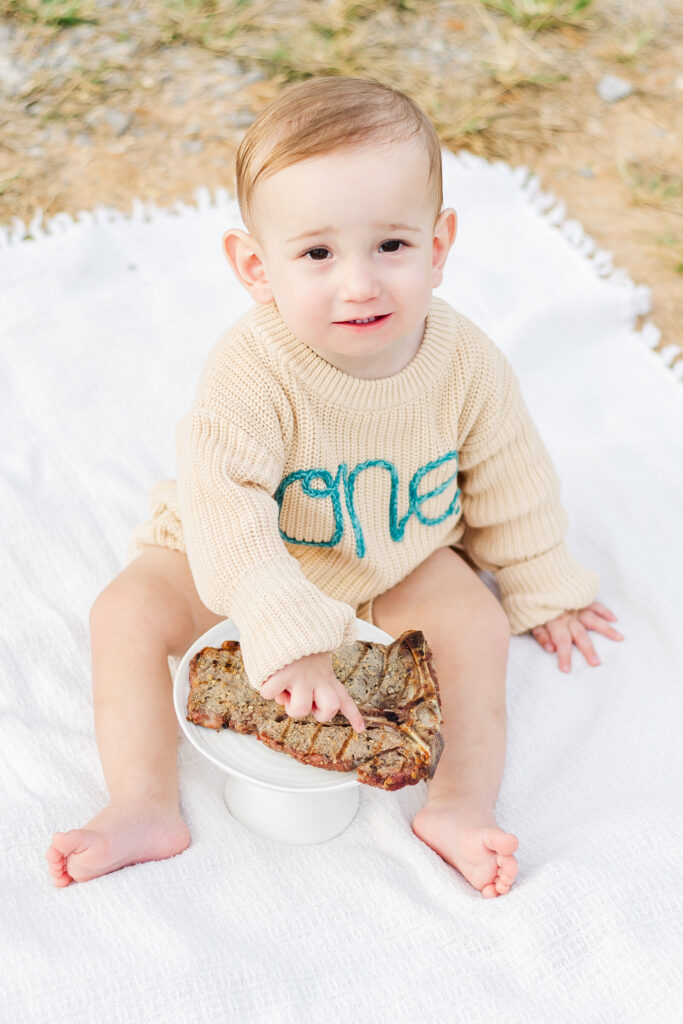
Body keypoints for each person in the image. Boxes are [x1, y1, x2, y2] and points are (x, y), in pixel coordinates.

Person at [46, 76, 623, 897]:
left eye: (390, 246)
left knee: (476, 626)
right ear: (255, 266)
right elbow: (228, 506)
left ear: (439, 242)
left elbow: (509, 474)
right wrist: (289, 633)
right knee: (125, 613)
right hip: (246, 547)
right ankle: (142, 802)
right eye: (316, 253)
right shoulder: (253, 370)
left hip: (397, 550)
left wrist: (541, 582)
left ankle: (458, 805)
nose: (359, 284)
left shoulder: (464, 361)